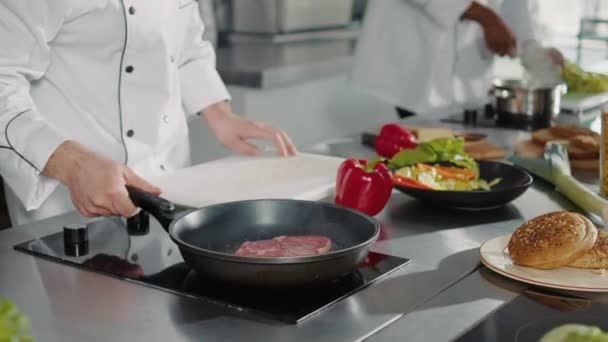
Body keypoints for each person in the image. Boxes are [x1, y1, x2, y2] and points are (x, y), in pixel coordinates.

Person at [0, 1, 297, 225]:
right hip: (70, 200)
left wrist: (220, 114)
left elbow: (186, 46)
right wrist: (74, 165)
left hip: (170, 181)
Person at [350, 0, 564, 119]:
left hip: (466, 71)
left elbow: (516, 5)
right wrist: (483, 15)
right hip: (409, 56)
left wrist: (532, 48)